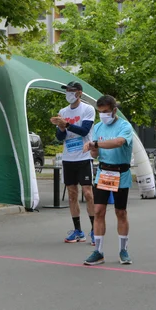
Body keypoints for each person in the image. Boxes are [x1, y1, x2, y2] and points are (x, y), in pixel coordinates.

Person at [82, 95, 134, 266]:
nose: (103, 115)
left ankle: (123, 250)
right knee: (98, 211)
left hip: (120, 173)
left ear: (114, 110)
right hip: (104, 173)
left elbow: (119, 142)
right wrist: (92, 149)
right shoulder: (98, 127)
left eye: (106, 112)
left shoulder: (124, 126)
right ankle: (98, 251)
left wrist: (95, 144)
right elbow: (95, 153)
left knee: (120, 212)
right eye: (100, 112)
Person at [50, 81, 96, 245]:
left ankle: (94, 230)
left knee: (88, 193)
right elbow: (60, 137)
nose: (69, 93)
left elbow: (84, 131)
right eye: (67, 90)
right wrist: (61, 128)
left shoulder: (88, 109)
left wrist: (67, 124)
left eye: (72, 90)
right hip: (68, 157)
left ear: (79, 93)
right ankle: (78, 231)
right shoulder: (63, 111)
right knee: (72, 195)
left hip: (84, 157)